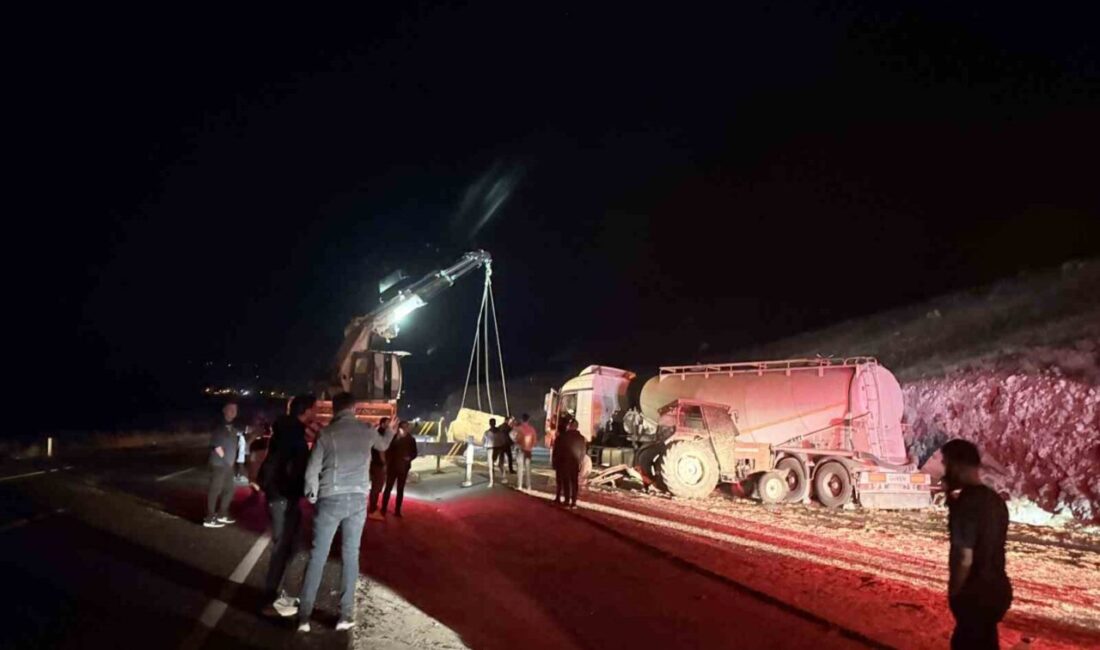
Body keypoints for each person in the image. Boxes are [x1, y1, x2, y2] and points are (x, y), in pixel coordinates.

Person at [294, 392, 394, 633]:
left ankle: (304, 617)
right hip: (358, 499)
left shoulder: (326, 434)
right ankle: (344, 615)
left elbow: (312, 470)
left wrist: (312, 494)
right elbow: (383, 445)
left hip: (330, 497)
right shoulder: (367, 430)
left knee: (318, 555)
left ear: (335, 409)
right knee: (351, 555)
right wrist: (389, 429)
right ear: (354, 408)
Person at [941, 439, 1012, 650]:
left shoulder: (966, 504)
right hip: (997, 589)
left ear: (957, 465)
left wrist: (955, 591)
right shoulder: (995, 501)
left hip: (974, 593)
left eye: (946, 464)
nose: (944, 470)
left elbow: (964, 556)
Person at [257, 394, 316, 618]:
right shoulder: (293, 433)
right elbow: (292, 465)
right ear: (305, 410)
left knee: (291, 545)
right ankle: (269, 601)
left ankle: (274, 593)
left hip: (282, 494)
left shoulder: (288, 429)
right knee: (283, 547)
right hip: (283, 495)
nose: (317, 413)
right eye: (314, 409)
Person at [204, 402, 240, 528]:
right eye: (230, 409)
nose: (233, 411)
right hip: (219, 464)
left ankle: (222, 514)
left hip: (228, 465)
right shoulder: (218, 426)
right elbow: (217, 446)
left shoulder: (233, 428)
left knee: (229, 490)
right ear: (224, 410)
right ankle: (209, 517)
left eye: (235, 409)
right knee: (215, 490)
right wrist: (227, 461)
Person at [382, 420, 418, 517]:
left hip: (404, 467)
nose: (405, 429)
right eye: (403, 427)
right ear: (399, 428)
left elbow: (414, 453)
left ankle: (397, 510)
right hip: (392, 467)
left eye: (407, 427)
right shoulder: (394, 438)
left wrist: (409, 458)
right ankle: (383, 508)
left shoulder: (411, 439)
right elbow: (388, 450)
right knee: (388, 488)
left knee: (400, 489)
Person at [552, 418, 586, 508]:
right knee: (574, 482)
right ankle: (574, 501)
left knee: (566, 482)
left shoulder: (564, 437)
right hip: (575, 463)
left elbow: (559, 450)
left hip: (565, 462)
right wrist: (580, 462)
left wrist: (555, 462)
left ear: (570, 426)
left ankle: (567, 500)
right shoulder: (581, 438)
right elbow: (583, 452)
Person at [367, 417, 391, 521]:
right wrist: (384, 463)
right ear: (382, 424)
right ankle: (372, 509)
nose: (388, 426)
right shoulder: (381, 434)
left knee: (376, 487)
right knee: (376, 487)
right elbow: (382, 450)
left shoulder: (377, 433)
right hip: (378, 465)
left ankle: (372, 507)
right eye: (387, 424)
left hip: (375, 464)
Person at [513, 413, 537, 490]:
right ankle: (528, 486)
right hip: (528, 451)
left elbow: (512, 436)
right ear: (528, 419)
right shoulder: (532, 429)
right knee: (528, 468)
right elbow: (535, 441)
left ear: (521, 419)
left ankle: (519, 485)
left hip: (520, 450)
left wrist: (516, 443)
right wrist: (530, 446)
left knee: (520, 468)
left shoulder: (518, 428)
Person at [483, 418, 500, 486]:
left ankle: (491, 481)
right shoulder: (499, 432)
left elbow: (483, 442)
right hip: (497, 449)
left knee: (491, 466)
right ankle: (494, 480)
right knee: (496, 465)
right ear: (495, 423)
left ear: (490, 424)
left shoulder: (487, 432)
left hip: (490, 449)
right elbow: (502, 441)